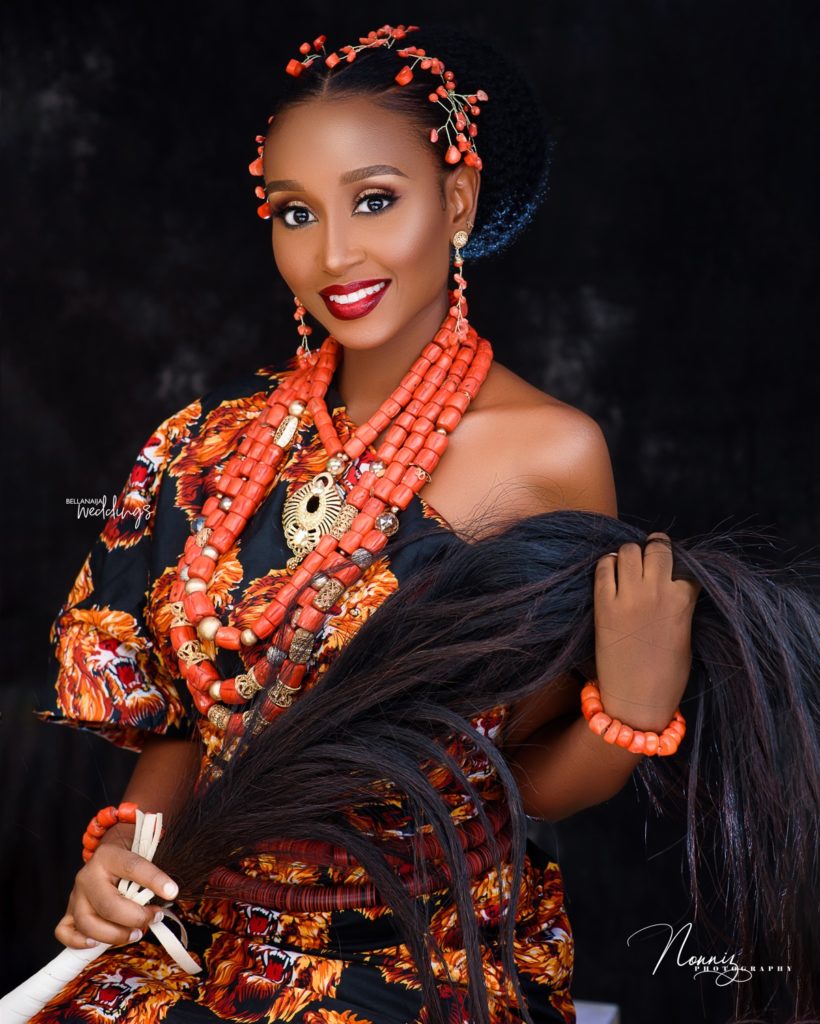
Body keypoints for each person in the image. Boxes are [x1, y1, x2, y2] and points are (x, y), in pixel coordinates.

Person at [24, 22, 818, 1024]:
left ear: (455, 200)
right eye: (294, 213)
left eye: (373, 201)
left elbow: (525, 780)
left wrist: (632, 705)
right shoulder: (210, 441)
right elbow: (188, 733)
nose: (334, 253)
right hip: (210, 937)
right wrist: (121, 853)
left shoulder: (547, 455)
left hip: (417, 955)